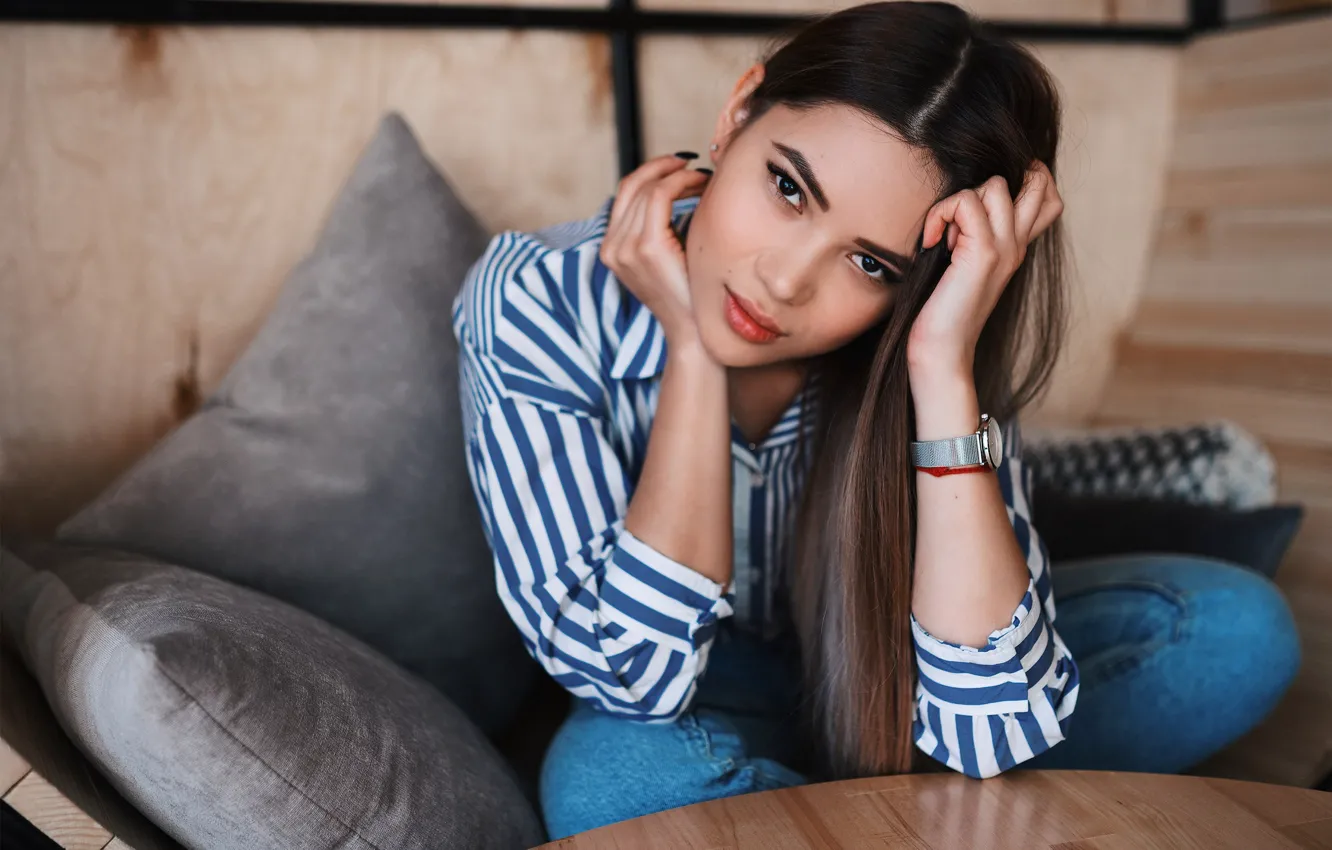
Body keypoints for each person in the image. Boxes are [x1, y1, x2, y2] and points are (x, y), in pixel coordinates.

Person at [451, 1, 1301, 839]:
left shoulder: (927, 339)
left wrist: (939, 365)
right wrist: (693, 354)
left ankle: (807, 815)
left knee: (1235, 632)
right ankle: (883, 819)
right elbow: (631, 678)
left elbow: (991, 734)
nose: (784, 281)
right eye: (787, 188)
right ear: (736, 114)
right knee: (612, 791)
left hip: (893, 679)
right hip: (694, 694)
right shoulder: (538, 298)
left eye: (869, 262)